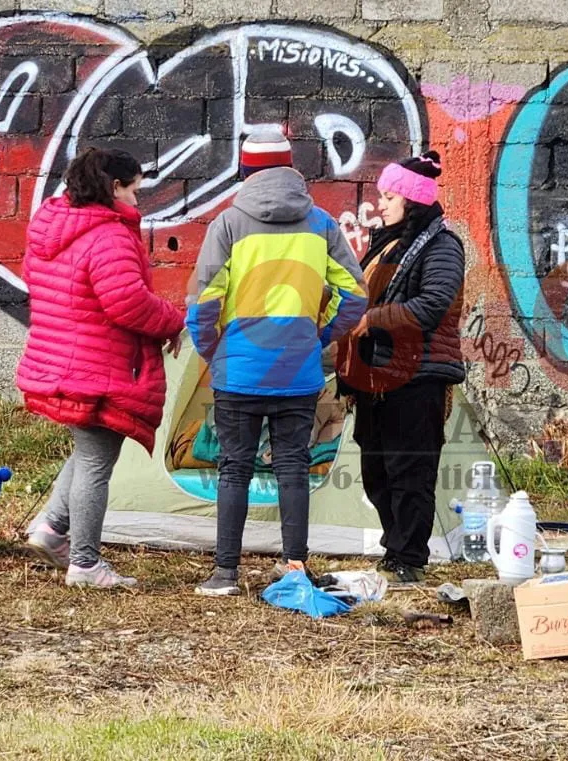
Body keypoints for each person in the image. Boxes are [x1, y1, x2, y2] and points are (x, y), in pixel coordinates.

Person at [187, 128, 367, 596]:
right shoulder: (322, 223)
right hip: (299, 370)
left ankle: (226, 573)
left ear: (245, 171)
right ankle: (294, 569)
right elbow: (354, 294)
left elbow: (203, 303)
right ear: (291, 168)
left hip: (239, 370)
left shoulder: (227, 225)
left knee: (234, 467)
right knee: (293, 466)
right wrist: (318, 334)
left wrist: (215, 350)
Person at [18, 147, 186, 589]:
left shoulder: (54, 225)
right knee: (97, 462)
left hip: (61, 357)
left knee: (88, 449)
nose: (138, 199)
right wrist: (172, 319)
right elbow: (126, 302)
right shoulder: (108, 235)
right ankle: (86, 563)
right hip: (99, 364)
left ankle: (51, 529)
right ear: (115, 187)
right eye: (135, 189)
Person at [336, 151, 465, 583]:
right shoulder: (386, 243)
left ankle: (410, 558)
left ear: (411, 200)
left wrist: (370, 321)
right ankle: (394, 549)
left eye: (390, 196)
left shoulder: (443, 246)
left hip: (418, 377)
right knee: (377, 468)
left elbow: (431, 307)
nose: (382, 203)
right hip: (376, 376)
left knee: (411, 470)